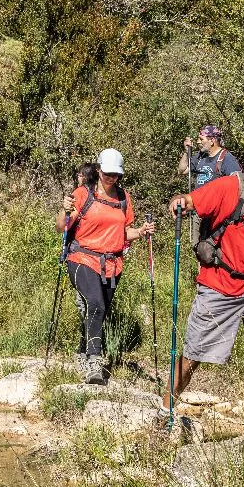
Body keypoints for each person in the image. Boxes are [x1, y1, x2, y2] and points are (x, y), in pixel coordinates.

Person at [162, 137, 244, 433]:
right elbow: (192, 199)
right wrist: (179, 202)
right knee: (193, 355)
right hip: (219, 284)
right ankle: (166, 407)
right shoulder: (231, 187)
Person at [61, 148, 155, 384]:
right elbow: (61, 226)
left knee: (98, 311)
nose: (112, 178)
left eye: (116, 174)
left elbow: (123, 233)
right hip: (82, 258)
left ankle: (83, 350)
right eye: (108, 173)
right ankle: (94, 363)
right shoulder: (82, 194)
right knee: (96, 304)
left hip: (112, 264)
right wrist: (64, 211)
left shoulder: (123, 198)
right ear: (99, 170)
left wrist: (141, 232)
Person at [178, 125, 241, 190]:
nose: (198, 142)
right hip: (198, 199)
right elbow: (182, 171)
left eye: (201, 139)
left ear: (212, 140)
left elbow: (237, 184)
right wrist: (186, 152)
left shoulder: (227, 158)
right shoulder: (200, 156)